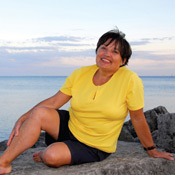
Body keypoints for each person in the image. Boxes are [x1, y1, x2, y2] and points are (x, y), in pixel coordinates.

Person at [0, 29, 174, 174]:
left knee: (51, 157)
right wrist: (23, 118)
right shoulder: (80, 73)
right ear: (97, 51)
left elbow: (137, 118)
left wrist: (151, 150)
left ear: (123, 61)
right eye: (104, 48)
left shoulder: (131, 80)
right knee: (39, 113)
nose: (107, 54)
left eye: (115, 52)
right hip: (70, 126)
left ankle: (50, 151)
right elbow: (54, 102)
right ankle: (4, 163)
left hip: (94, 145)